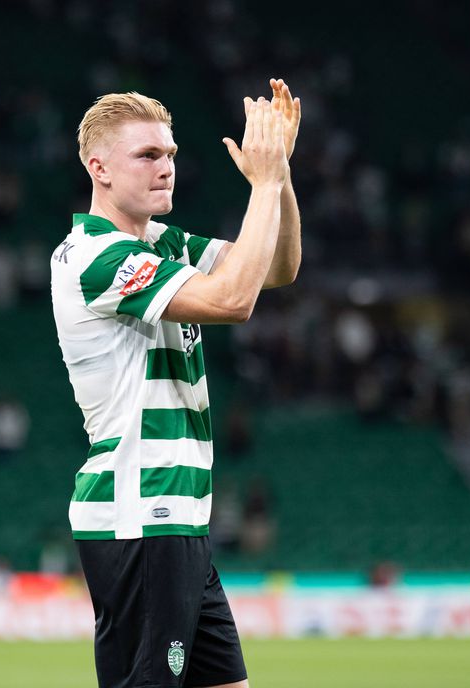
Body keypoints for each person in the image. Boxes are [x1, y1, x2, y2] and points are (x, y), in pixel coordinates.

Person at [50, 77, 301, 688]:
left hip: (178, 516)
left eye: (170, 155)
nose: (166, 168)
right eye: (147, 155)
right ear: (98, 167)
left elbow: (278, 267)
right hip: (139, 513)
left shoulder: (161, 244)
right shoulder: (95, 256)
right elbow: (235, 299)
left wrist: (281, 175)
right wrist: (263, 185)